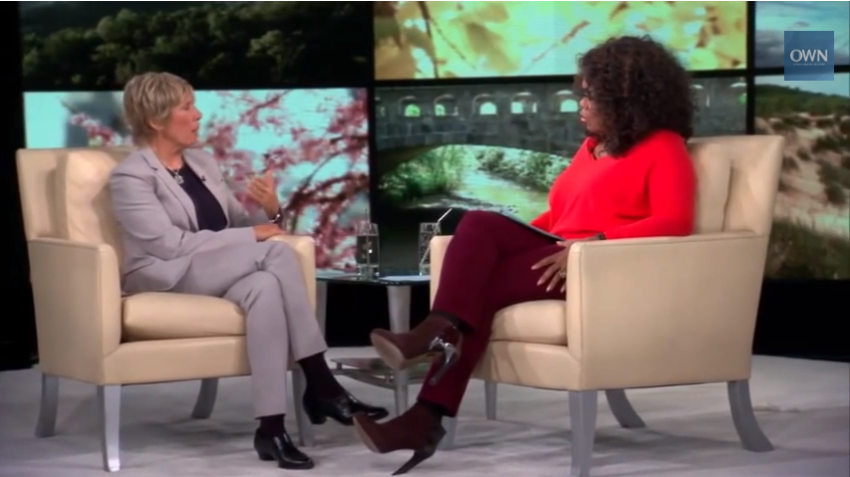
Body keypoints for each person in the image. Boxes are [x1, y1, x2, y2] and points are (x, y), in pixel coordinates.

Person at [352, 35, 698, 474]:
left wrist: (595, 242)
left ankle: (425, 391)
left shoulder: (664, 147)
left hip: (599, 269)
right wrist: (519, 235)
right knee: (478, 227)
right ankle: (428, 378)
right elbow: (559, 213)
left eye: (591, 95)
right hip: (557, 254)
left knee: (479, 290)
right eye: (583, 93)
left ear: (625, 98)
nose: (581, 103)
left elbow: (676, 221)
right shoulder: (592, 148)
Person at [108, 72, 388, 471]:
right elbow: (168, 245)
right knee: (275, 257)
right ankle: (322, 384)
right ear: (156, 120)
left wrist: (270, 209)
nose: (198, 114)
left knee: (264, 286)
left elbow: (238, 225)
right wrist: (254, 235)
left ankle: (271, 429)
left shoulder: (202, 162)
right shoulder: (131, 176)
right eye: (187, 107)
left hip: (213, 268)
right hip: (165, 274)